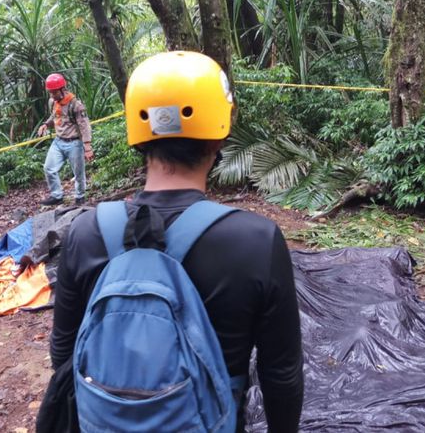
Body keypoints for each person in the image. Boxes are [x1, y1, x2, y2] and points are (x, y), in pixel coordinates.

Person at [49, 51, 304, 432]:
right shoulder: (255, 242)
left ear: (138, 135)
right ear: (219, 136)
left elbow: (64, 354)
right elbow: (281, 376)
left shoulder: (86, 233)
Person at [38, 73, 94, 206]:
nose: (52, 95)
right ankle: (57, 195)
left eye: (54, 92)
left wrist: (87, 147)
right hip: (58, 141)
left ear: (62, 89)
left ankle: (80, 196)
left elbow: (84, 125)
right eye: (50, 93)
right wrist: (46, 124)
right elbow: (55, 116)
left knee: (78, 173)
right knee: (49, 168)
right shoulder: (54, 102)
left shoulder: (75, 105)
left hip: (74, 142)